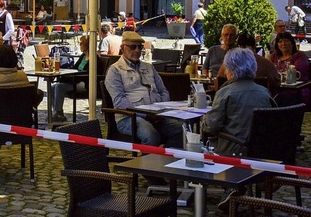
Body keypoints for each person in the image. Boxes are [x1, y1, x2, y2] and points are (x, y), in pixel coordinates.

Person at [202, 47, 277, 212]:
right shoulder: (264, 92)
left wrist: (204, 119)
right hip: (263, 151)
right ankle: (234, 189)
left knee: (200, 144)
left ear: (230, 69)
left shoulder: (225, 92)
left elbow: (212, 126)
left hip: (235, 151)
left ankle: (231, 187)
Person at [104, 31, 184, 151]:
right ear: (122, 48)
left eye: (140, 47)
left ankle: (164, 160)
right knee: (151, 135)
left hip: (157, 115)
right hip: (128, 117)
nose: (137, 50)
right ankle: (146, 167)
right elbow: (119, 102)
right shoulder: (115, 70)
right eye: (132, 47)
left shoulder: (149, 67)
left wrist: (161, 111)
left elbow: (164, 91)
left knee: (181, 130)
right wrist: (146, 114)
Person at [51, 36, 90, 122]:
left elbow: (87, 73)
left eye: (81, 43)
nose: (80, 45)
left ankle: (58, 113)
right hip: (75, 79)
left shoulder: (94, 58)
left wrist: (72, 76)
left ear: (86, 45)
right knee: (53, 87)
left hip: (84, 82)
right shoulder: (83, 56)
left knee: (59, 87)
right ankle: (58, 112)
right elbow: (75, 67)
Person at [269, 31, 310, 107]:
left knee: (283, 97)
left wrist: (279, 74)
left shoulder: (299, 55)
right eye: (280, 41)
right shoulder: (274, 56)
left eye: (286, 41)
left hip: (297, 91)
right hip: (278, 89)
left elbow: (296, 71)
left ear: (292, 42)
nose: (283, 44)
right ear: (277, 45)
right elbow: (269, 70)